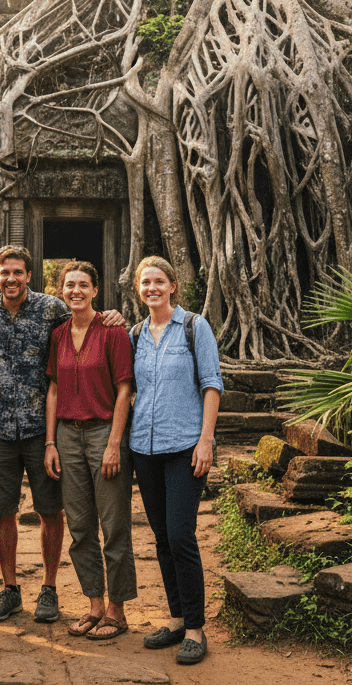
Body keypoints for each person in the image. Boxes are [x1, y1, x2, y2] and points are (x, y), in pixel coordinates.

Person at [0, 245, 124, 624]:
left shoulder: (51, 309)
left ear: (30, 276)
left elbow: (86, 320)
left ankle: (49, 588)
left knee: (50, 509)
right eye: (5, 272)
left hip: (45, 428)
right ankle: (10, 589)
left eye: (19, 272)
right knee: (2, 509)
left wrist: (113, 314)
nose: (12, 279)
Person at [129, 256, 223, 666]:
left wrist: (206, 440)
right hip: (144, 449)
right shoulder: (134, 334)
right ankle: (176, 617)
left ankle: (197, 628)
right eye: (145, 282)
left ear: (173, 286)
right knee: (162, 537)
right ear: (139, 289)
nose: (152, 288)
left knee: (181, 534)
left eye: (158, 281)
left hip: (185, 445)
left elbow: (212, 383)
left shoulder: (193, 326)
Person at [44, 261, 136, 640]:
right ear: (61, 290)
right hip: (67, 435)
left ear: (96, 290)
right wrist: (50, 442)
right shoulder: (59, 335)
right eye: (70, 285)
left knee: (114, 525)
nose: (76, 291)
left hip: (103, 435)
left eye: (83, 285)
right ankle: (95, 604)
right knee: (80, 527)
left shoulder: (113, 331)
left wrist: (114, 444)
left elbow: (124, 390)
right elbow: (52, 390)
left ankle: (117, 610)